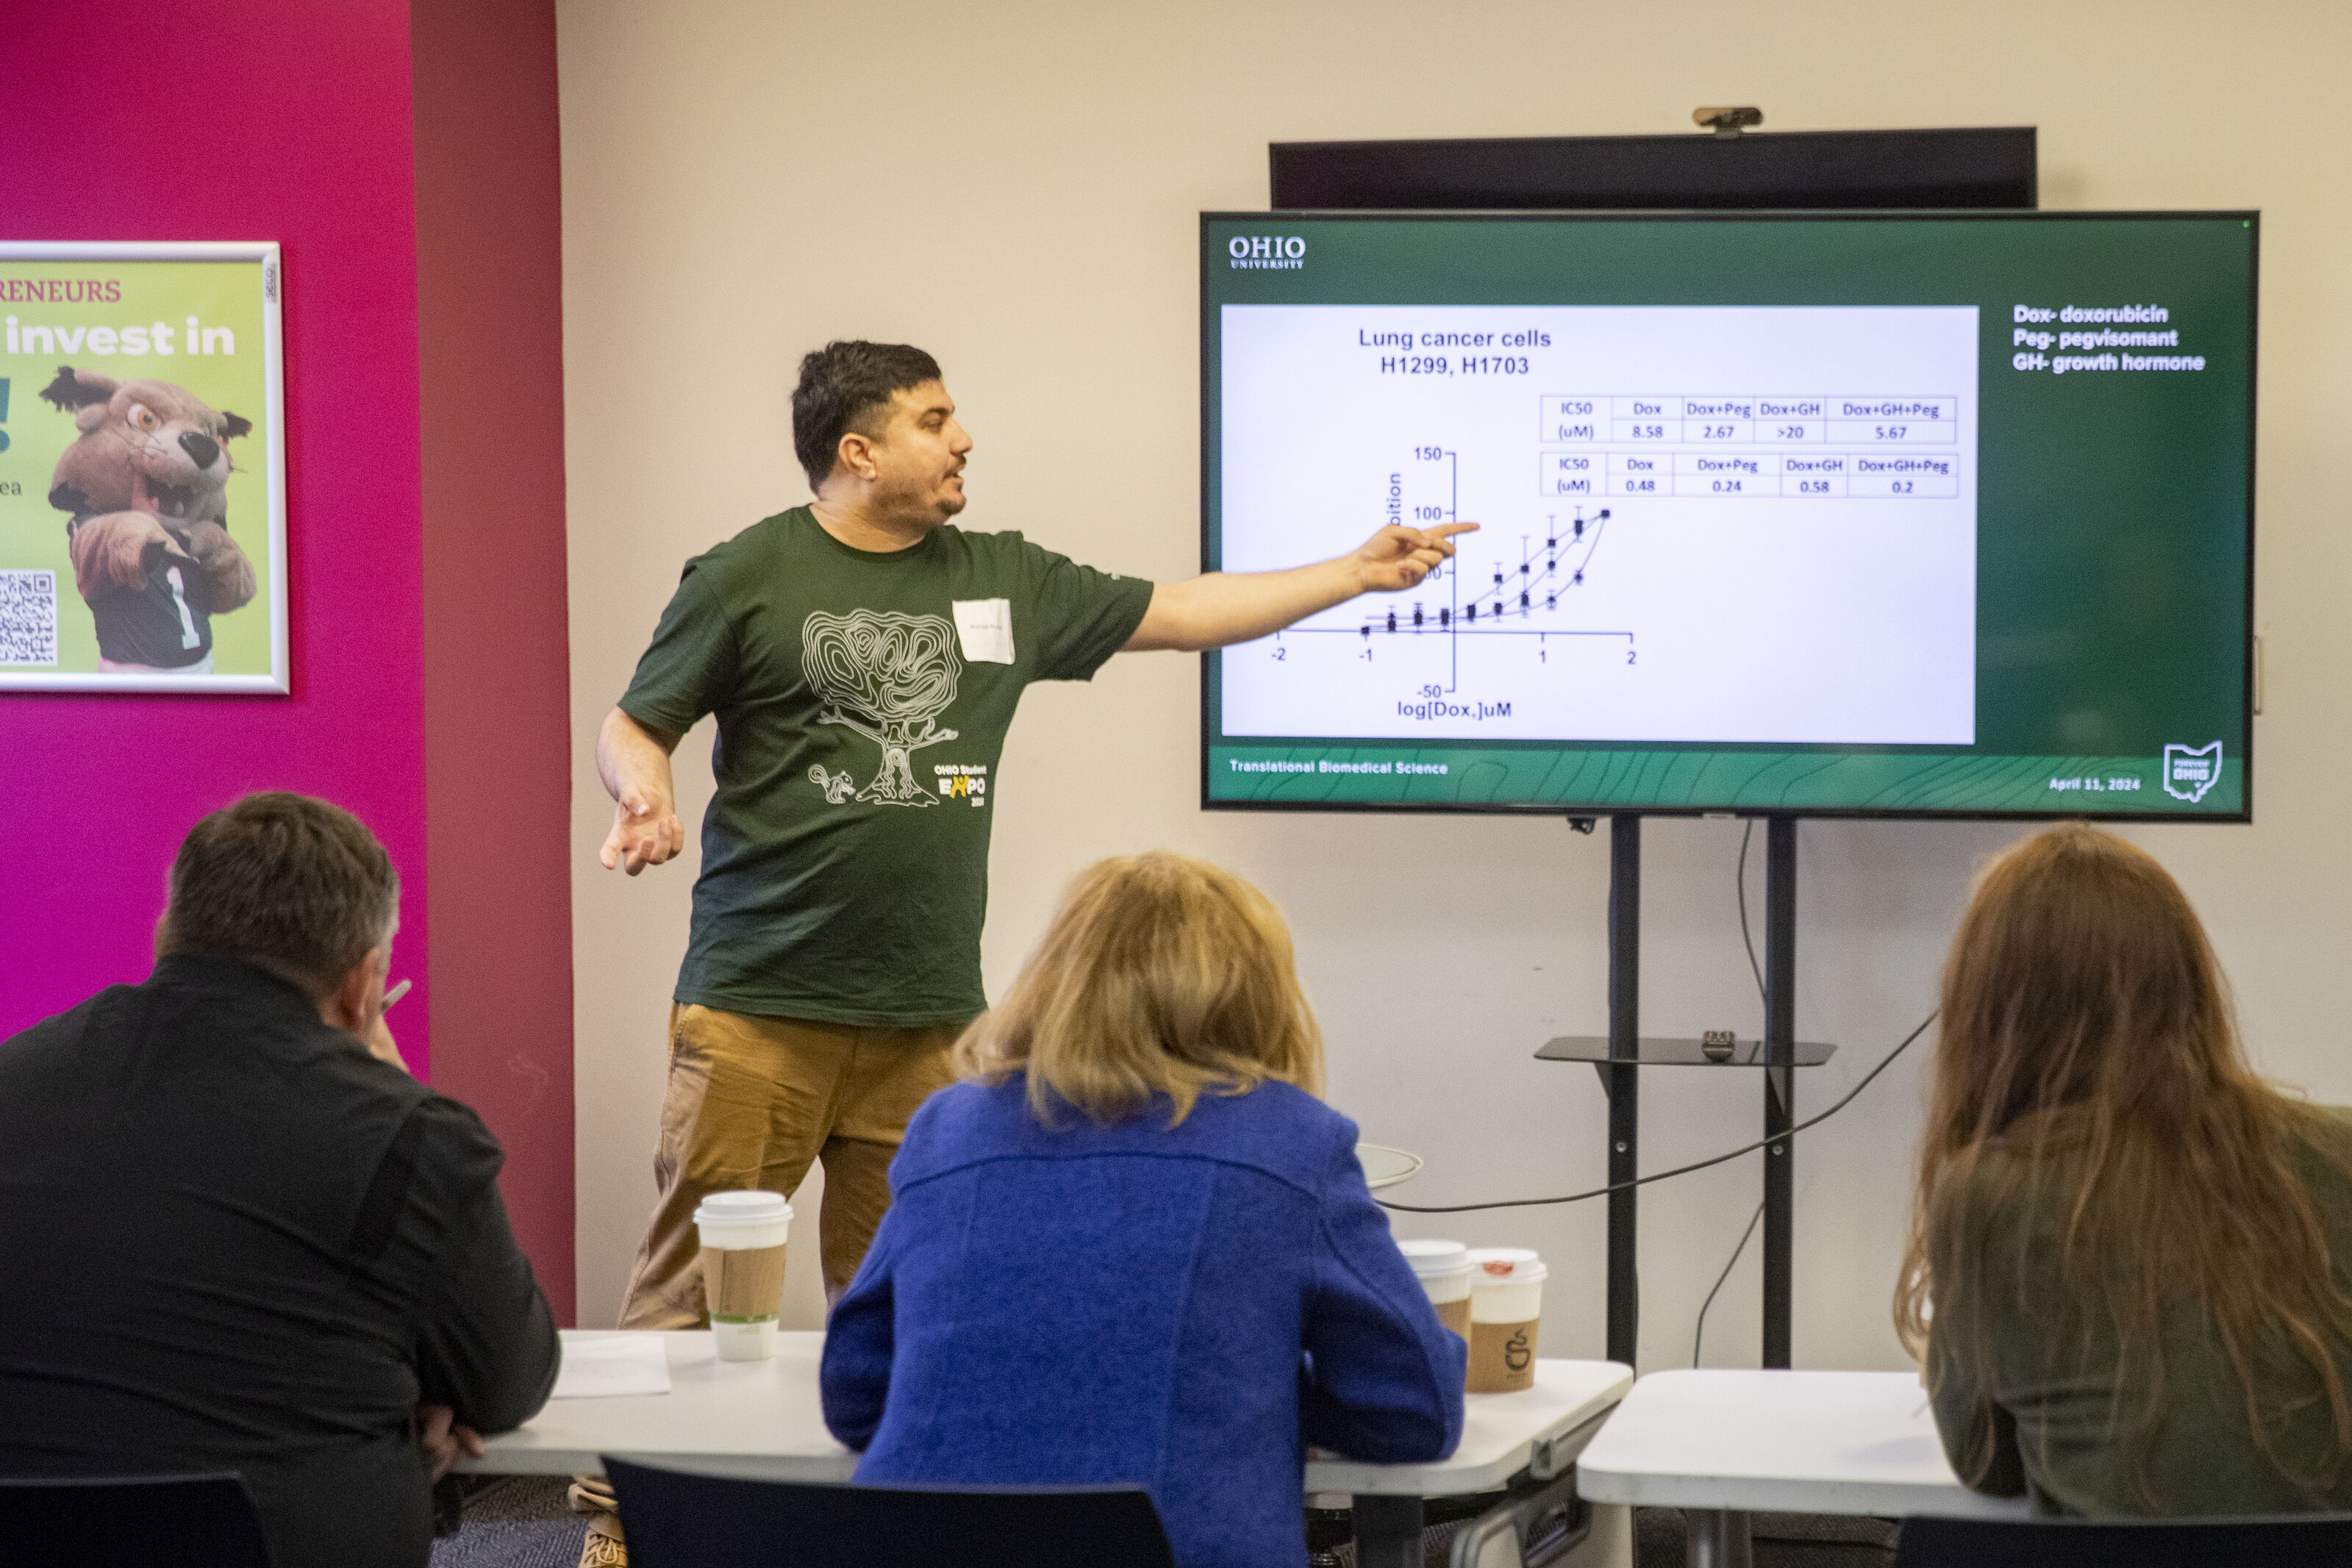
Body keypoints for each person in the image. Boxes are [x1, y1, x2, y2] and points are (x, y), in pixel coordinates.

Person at [596, 340, 1470, 1325]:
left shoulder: (1002, 577)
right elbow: (635, 722)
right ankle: (613, 1491)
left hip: (924, 1022)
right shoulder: (744, 575)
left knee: (907, 1306)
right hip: (757, 1011)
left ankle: (884, 1483)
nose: (962, 439)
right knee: (692, 1297)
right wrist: (644, 797)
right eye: (932, 422)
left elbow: (1182, 611)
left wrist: (1350, 573)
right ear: (859, 453)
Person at [819, 851, 1465, 1568]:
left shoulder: (947, 1130)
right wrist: (1256, 1386)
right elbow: (1412, 1413)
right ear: (1254, 994)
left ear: (1057, 977)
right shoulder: (1294, 1144)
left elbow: (854, 1397)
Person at [0, 792, 560, 1568]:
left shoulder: (14, 1079)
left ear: (167, 936)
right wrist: (396, 1403)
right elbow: (508, 1382)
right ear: (364, 985)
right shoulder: (411, 1140)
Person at [1896, 822, 2352, 1516]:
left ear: (1991, 1012)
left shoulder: (1987, 1194)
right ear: (2187, 981)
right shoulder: (2337, 1148)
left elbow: (1987, 1466)